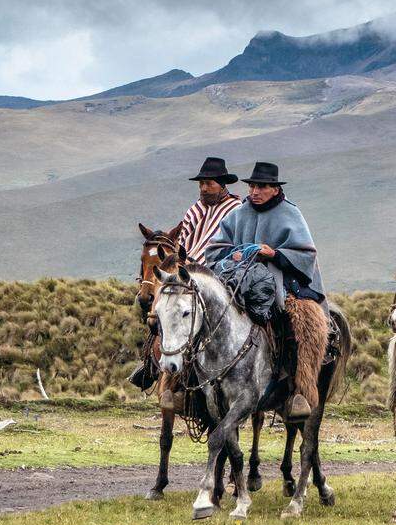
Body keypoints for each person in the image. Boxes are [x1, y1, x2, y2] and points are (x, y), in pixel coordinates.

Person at [205, 162, 328, 421]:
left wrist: (275, 253)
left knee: (300, 320)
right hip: (238, 280)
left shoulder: (291, 214)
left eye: (261, 186)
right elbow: (215, 249)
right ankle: (191, 386)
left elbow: (306, 254)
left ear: (274, 189)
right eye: (252, 186)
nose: (255, 191)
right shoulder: (239, 213)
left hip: (284, 281)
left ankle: (298, 390)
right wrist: (233, 253)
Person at [128, 157, 241, 389]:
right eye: (201, 184)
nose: (203, 188)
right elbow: (185, 240)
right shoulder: (195, 209)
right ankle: (152, 361)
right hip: (187, 268)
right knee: (162, 306)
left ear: (221, 184)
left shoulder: (235, 210)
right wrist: (180, 261)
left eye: (208, 183)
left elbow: (234, 243)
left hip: (218, 271)